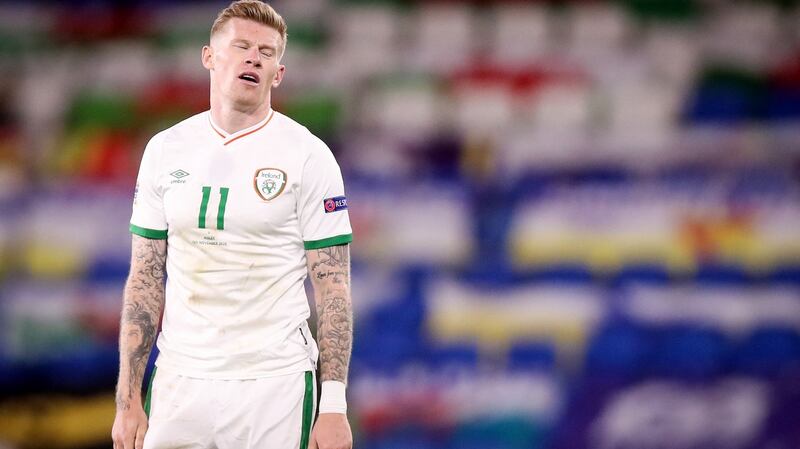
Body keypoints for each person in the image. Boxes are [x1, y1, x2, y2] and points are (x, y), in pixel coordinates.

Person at [111, 1, 354, 448]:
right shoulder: (166, 150)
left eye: (266, 52)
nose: (253, 58)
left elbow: (333, 286)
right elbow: (144, 277)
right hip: (182, 377)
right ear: (209, 57)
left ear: (277, 74)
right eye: (241, 46)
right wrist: (127, 398)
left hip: (274, 381)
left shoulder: (308, 155)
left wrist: (333, 404)